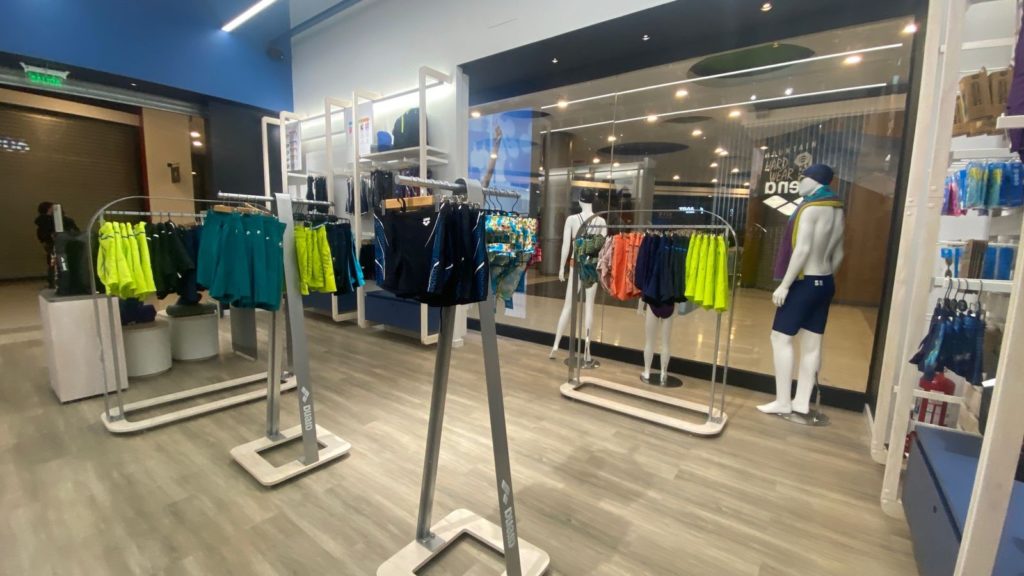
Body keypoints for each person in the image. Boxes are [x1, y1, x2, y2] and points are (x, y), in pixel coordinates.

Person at [34, 202, 78, 288]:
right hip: (60, 244)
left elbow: (41, 235)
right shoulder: (62, 220)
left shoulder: (41, 222)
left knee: (54, 263)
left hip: (51, 244)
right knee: (61, 263)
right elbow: (75, 231)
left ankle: (55, 281)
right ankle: (62, 281)